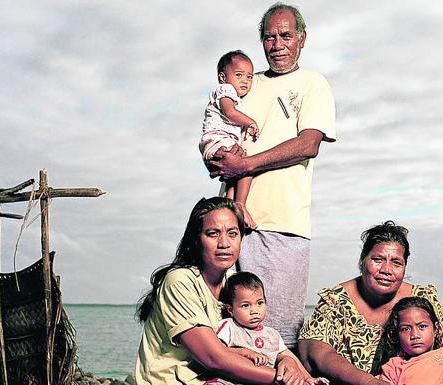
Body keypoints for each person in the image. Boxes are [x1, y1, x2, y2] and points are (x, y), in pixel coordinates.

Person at [208, 2, 336, 349]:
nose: (277, 44)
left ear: (302, 39)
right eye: (269, 37)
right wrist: (215, 155)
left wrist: (246, 165)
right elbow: (218, 123)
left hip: (283, 226)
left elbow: (308, 144)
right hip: (231, 224)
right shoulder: (247, 83)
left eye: (285, 35)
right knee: (226, 331)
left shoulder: (313, 84)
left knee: (279, 336)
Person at [134, 197, 309, 385]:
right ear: (196, 239)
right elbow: (213, 358)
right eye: (213, 233)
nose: (224, 243)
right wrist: (282, 378)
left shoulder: (231, 282)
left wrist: (290, 362)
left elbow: (261, 337)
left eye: (233, 234)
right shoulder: (180, 281)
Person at [298, 221, 443, 385]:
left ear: (405, 266)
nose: (387, 269)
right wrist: (372, 382)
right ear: (362, 260)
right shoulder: (335, 300)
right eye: (378, 259)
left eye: (396, 263)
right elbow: (318, 355)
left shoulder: (423, 298)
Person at [205, 271, 328, 385]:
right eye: (245, 305)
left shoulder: (272, 334)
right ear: (230, 309)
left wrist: (308, 378)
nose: (254, 311)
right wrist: (244, 352)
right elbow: (216, 351)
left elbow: (290, 358)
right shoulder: (229, 327)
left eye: (259, 303)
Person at [199, 51, 259, 228]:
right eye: (239, 75)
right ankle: (241, 205)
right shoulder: (225, 90)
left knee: (234, 177)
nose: (245, 81)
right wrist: (250, 122)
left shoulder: (235, 95)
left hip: (216, 143)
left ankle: (232, 206)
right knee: (247, 165)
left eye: (249, 77)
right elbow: (229, 112)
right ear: (223, 77)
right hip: (218, 140)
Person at [376, 297, 443, 385]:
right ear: (397, 334)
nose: (415, 335)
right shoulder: (393, 366)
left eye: (422, 326)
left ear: (436, 329)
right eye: (406, 329)